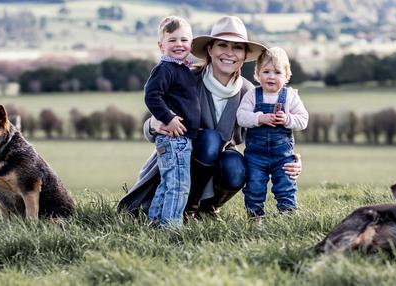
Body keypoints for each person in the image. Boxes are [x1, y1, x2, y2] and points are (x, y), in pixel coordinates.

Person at [118, 16, 303, 220]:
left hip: (218, 167)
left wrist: (290, 159)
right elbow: (152, 119)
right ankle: (184, 208)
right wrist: (153, 124)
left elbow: (271, 131)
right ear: (210, 49)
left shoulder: (249, 92)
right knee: (209, 139)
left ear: (244, 55)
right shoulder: (187, 78)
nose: (229, 53)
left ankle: (206, 209)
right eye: (222, 45)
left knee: (235, 165)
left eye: (237, 47)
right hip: (180, 161)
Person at [237, 47, 309, 218]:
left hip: (282, 155)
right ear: (257, 74)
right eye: (266, 71)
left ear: (286, 76)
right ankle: (255, 216)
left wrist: (287, 119)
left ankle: (287, 214)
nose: (271, 76)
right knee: (254, 187)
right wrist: (259, 118)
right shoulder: (252, 95)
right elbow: (241, 117)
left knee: (285, 186)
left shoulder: (290, 96)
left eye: (277, 72)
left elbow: (303, 120)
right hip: (255, 156)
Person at [144, 16, 200, 227]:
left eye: (184, 40)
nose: (179, 45)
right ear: (161, 45)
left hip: (182, 139)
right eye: (172, 40)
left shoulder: (182, 69)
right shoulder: (165, 69)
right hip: (174, 138)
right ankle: (171, 228)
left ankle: (155, 222)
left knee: (168, 183)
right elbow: (151, 96)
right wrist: (168, 118)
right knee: (179, 185)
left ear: (191, 44)